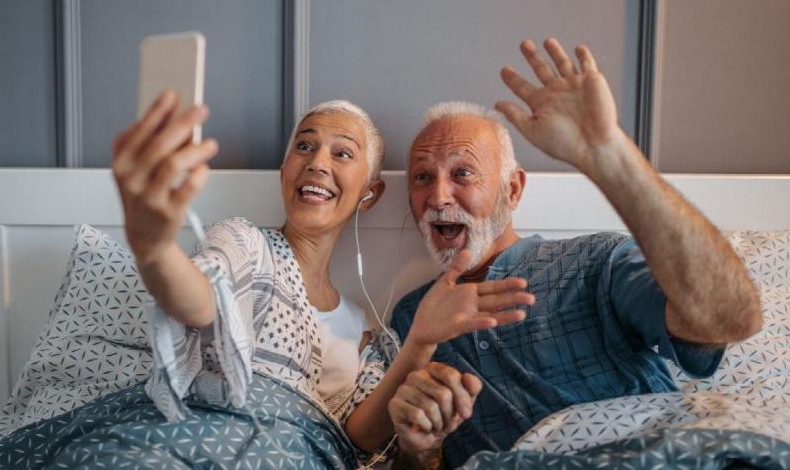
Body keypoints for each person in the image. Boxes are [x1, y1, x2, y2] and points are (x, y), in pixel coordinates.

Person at [0, 94, 533, 468]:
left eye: (342, 153)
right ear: (284, 171)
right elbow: (199, 299)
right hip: (181, 440)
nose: (318, 162)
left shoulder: (373, 336)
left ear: (367, 194)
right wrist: (155, 247)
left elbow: (360, 438)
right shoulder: (243, 243)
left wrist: (420, 340)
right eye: (304, 147)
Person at [386, 38, 763, 469]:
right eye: (421, 176)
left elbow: (730, 319)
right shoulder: (410, 322)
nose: (438, 195)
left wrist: (610, 154)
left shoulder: (596, 262)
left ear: (512, 190)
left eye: (463, 173)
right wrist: (420, 451)